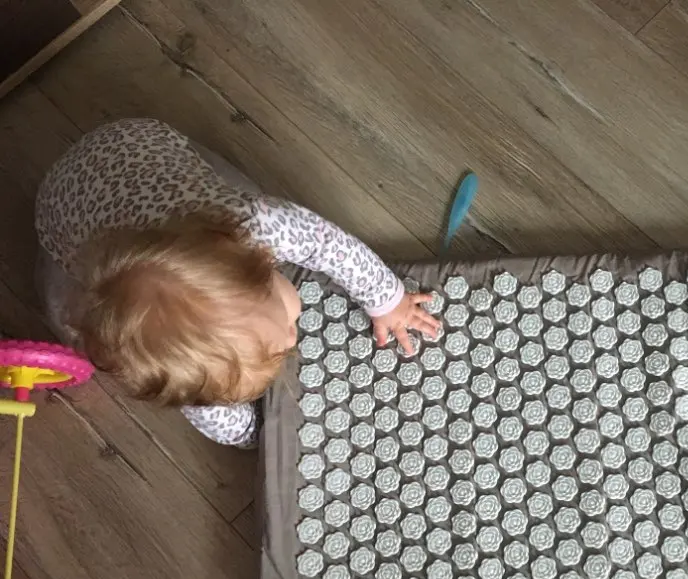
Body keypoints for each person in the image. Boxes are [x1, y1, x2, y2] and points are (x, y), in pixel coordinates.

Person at [34, 118, 439, 447]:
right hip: (61, 207)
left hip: (139, 143)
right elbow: (220, 419)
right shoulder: (187, 375)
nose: (293, 337)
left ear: (259, 263)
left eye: (287, 322)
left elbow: (332, 246)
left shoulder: (256, 222)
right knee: (74, 305)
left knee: (239, 184)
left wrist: (388, 301)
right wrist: (258, 435)